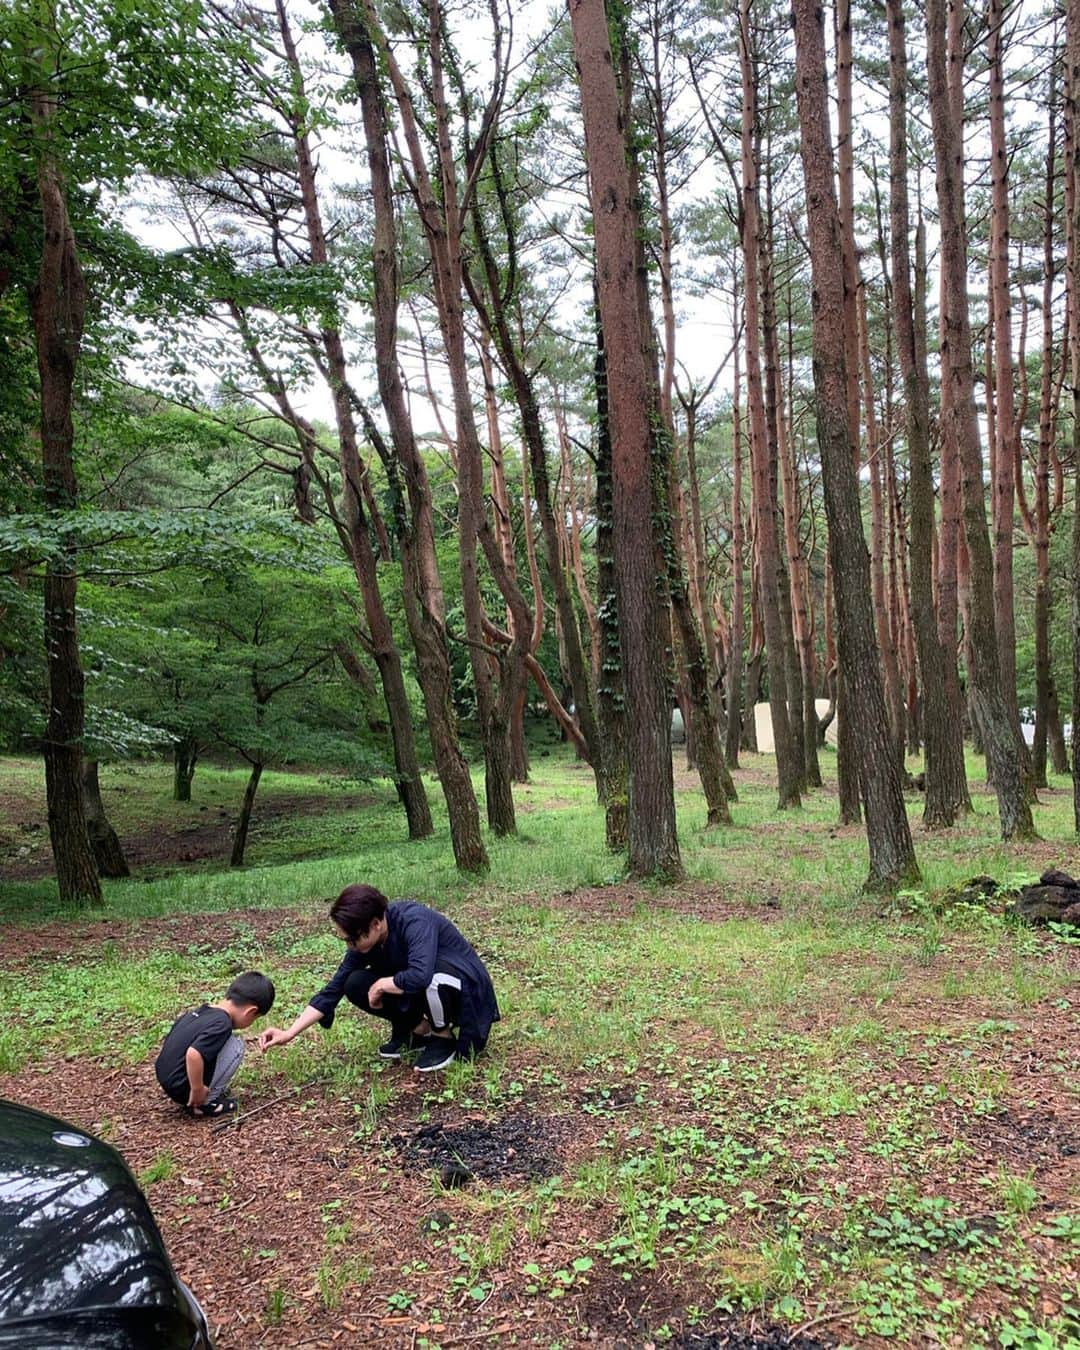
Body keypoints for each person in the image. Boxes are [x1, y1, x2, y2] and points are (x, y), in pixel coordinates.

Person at [258, 885, 499, 1073]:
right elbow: (334, 989)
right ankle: (419, 1030)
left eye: (353, 939)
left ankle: (442, 1037)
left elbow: (420, 976)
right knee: (354, 982)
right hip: (428, 991)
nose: (350, 946)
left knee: (426, 978)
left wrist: (382, 984)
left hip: (465, 991)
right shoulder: (365, 944)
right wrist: (289, 1033)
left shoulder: (413, 920)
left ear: (375, 923)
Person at [155, 971, 275, 1118]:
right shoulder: (222, 1023)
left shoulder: (201, 1011)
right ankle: (207, 1103)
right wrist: (197, 1089)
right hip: (183, 1089)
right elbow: (193, 1054)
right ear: (251, 1012)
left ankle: (197, 1091)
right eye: (254, 1019)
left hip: (167, 1079)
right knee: (236, 1046)